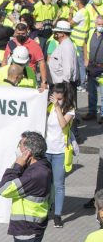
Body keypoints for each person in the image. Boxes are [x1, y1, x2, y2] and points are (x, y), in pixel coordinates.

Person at [43, 83, 76, 228]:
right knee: (45, 183)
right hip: (46, 150)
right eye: (54, 92)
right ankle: (45, 211)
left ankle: (57, 215)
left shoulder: (70, 109)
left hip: (60, 152)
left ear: (64, 94)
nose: (55, 94)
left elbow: (63, 125)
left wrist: (57, 107)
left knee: (59, 184)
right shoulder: (48, 106)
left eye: (58, 92)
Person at [3, 22, 48, 87]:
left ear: (27, 32)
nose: (20, 35)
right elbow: (5, 60)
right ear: (15, 33)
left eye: (23, 34)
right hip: (12, 78)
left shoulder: (34, 45)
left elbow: (41, 63)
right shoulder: (11, 43)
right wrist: (3, 72)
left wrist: (44, 82)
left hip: (28, 77)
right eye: (18, 33)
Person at [48, 21, 79, 89]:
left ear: (62, 34)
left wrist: (64, 86)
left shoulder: (67, 46)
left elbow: (68, 66)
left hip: (63, 85)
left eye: (57, 32)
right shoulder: (63, 44)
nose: (55, 34)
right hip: (61, 84)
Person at [85, 16, 103, 121]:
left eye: (102, 24)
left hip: (102, 67)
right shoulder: (91, 32)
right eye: (99, 24)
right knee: (91, 92)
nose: (101, 26)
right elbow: (84, 43)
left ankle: (102, 115)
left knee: (102, 93)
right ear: (95, 24)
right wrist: (86, 59)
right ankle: (92, 112)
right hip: (92, 66)